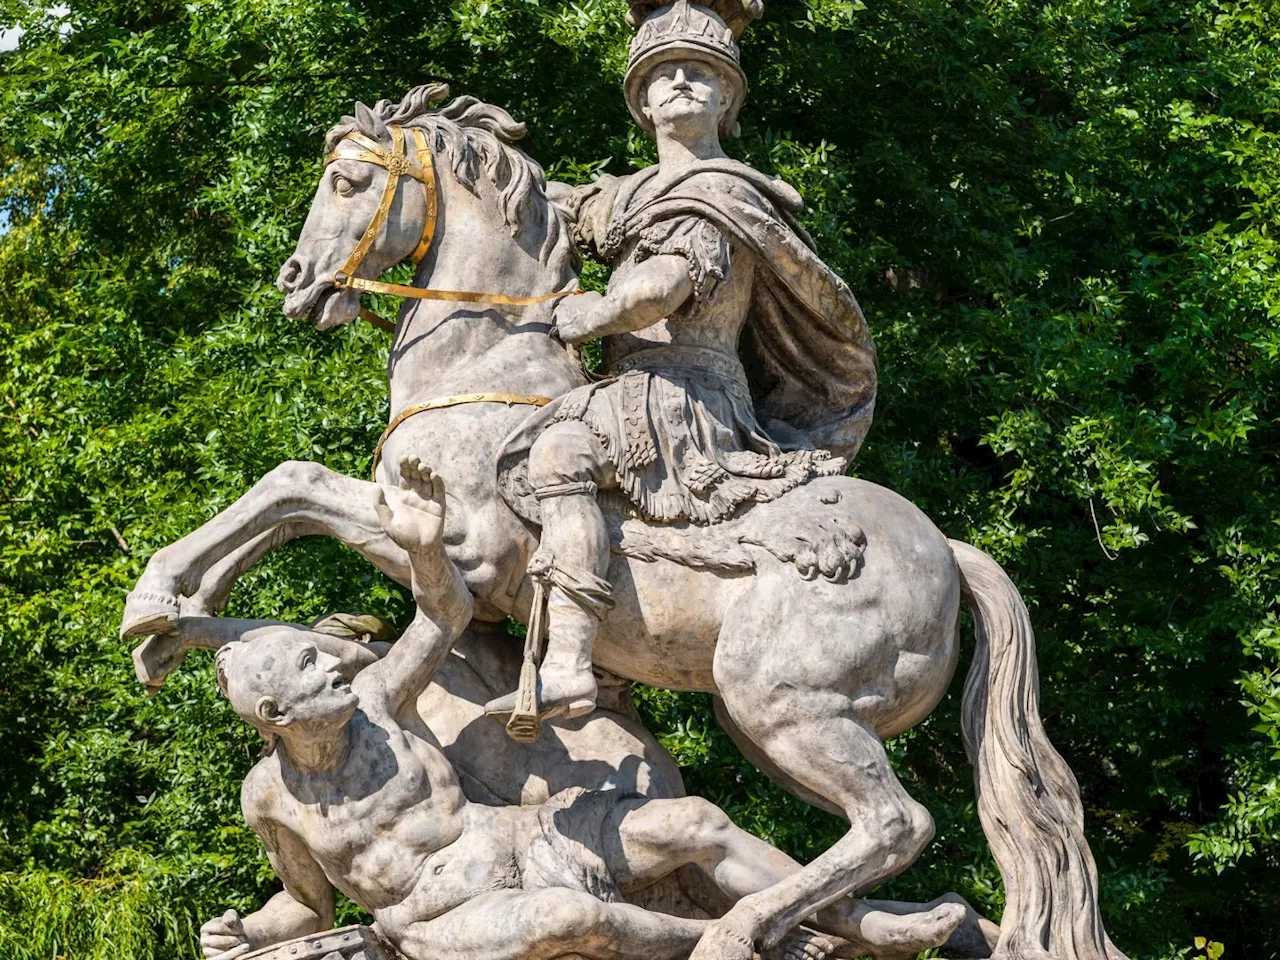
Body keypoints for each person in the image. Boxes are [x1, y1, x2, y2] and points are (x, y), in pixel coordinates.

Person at [198, 457, 989, 960]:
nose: (335, 662)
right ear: (272, 710)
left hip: (520, 837)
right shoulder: (269, 799)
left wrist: (425, 548)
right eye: (309, 665)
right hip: (445, 913)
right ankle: (762, 942)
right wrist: (245, 931)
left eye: (320, 650)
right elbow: (305, 904)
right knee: (564, 920)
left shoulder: (375, 701)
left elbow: (440, 617)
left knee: (693, 823)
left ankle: (848, 920)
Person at [488, 0, 877, 722]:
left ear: (727, 98)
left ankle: (572, 665)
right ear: (641, 100)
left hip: (686, 396)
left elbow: (666, 283)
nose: (680, 83)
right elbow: (546, 208)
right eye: (663, 74)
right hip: (629, 388)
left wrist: (594, 315)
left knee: (561, 455)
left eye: (700, 74)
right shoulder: (626, 196)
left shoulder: (726, 192)